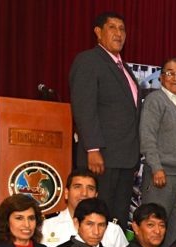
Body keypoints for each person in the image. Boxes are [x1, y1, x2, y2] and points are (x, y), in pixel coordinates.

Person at [69, 11, 140, 225]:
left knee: (117, 221)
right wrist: (93, 148)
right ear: (98, 32)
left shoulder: (124, 68)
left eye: (122, 29)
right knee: (97, 217)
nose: (119, 33)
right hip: (102, 157)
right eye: (112, 27)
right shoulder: (89, 60)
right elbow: (84, 107)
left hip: (125, 159)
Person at [139, 57, 176, 247]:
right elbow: (147, 136)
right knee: (154, 229)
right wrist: (156, 167)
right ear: (161, 77)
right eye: (171, 73)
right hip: (162, 176)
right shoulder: (156, 100)